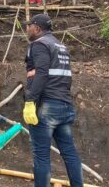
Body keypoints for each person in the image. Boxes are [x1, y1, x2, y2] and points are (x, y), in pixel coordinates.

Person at [23, 14, 83, 187]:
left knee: (41, 155)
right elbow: (64, 75)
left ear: (37, 28)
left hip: (46, 106)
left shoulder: (39, 45)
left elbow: (42, 72)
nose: (27, 29)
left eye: (29, 26)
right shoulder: (60, 46)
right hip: (64, 105)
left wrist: (30, 100)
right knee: (70, 153)